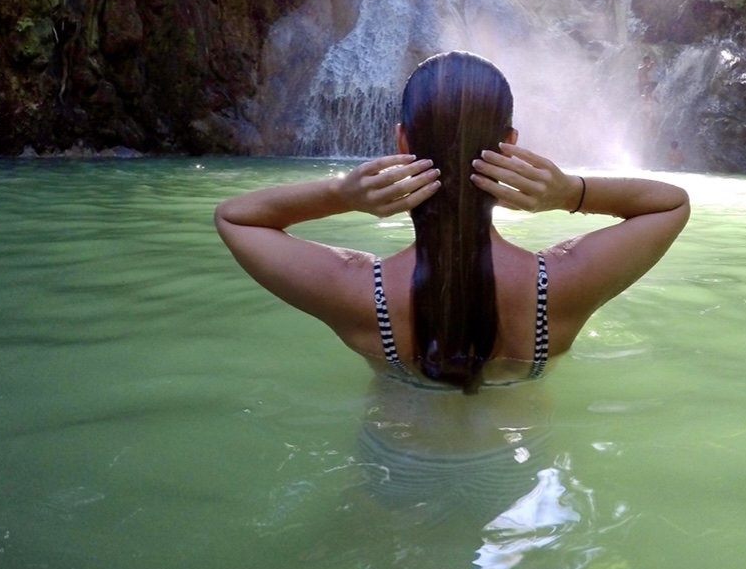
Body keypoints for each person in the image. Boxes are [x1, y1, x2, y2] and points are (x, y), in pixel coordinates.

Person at [215, 51, 689, 394]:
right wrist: (570, 193)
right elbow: (670, 204)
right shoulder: (562, 283)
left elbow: (236, 218)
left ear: (402, 142)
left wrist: (341, 193)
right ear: (510, 143)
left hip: (394, 472)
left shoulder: (359, 292)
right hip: (515, 476)